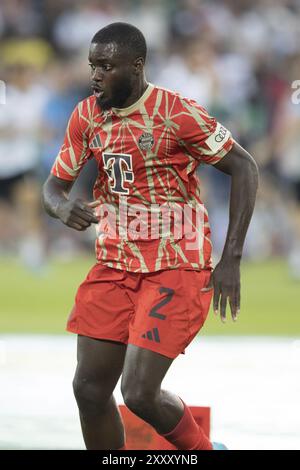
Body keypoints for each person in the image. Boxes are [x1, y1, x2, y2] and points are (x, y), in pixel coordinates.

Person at [42, 22, 258, 450]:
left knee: (138, 392)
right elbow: (53, 186)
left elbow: (244, 167)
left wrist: (230, 258)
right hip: (114, 264)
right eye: (92, 65)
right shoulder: (86, 115)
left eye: (107, 66)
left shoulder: (176, 112)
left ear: (136, 66)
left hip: (174, 264)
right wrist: (61, 206)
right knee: (88, 390)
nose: (96, 75)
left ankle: (204, 451)